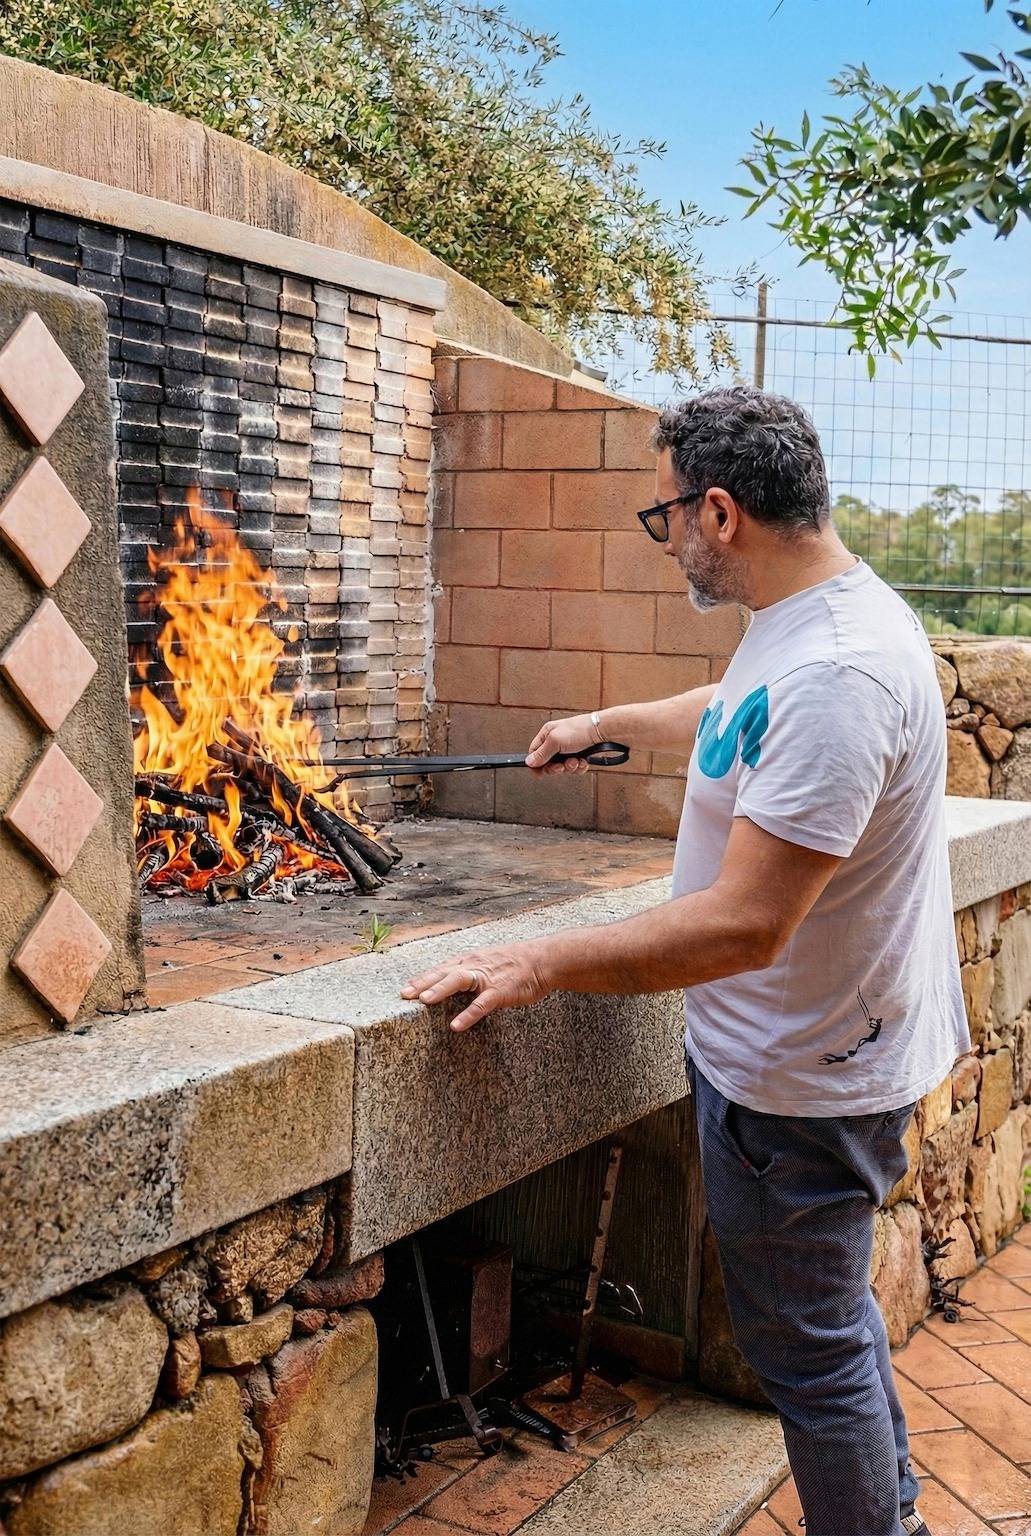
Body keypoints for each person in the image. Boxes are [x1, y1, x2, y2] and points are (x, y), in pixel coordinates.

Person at [402, 385, 968, 1536]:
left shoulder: (841, 673)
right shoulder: (807, 618)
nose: (664, 544)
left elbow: (742, 924)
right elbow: (735, 702)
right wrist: (601, 723)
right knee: (828, 1325)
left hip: (797, 1085)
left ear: (719, 513)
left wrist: (542, 961)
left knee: (804, 1358)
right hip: (782, 1055)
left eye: (663, 518)